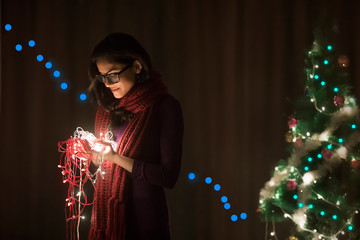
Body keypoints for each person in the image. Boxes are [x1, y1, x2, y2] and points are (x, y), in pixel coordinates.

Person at [83, 33, 183, 240]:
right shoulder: (107, 110)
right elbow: (99, 170)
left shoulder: (165, 107)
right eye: (102, 78)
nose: (108, 84)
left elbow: (168, 176)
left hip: (145, 221)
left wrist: (115, 158)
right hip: (107, 222)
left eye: (112, 75)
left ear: (137, 66)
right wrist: (92, 158)